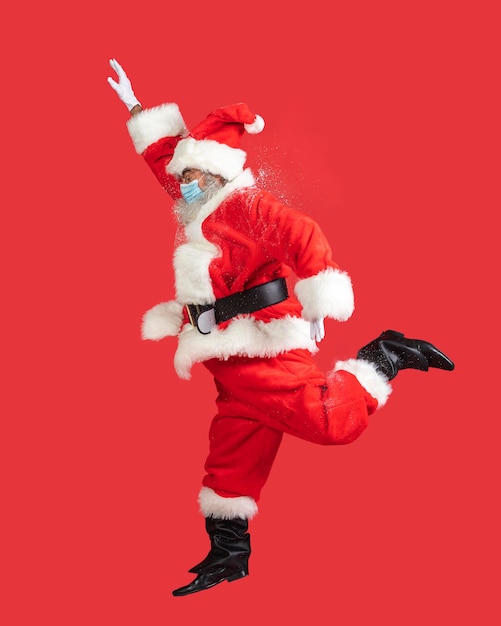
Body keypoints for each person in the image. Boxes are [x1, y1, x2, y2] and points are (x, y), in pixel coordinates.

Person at [107, 58, 454, 597]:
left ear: (218, 172)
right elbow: (165, 162)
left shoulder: (247, 205)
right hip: (227, 362)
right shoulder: (195, 203)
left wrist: (318, 304)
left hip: (261, 349)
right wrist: (136, 108)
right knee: (231, 459)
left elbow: (305, 235)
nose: (185, 185)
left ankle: (384, 355)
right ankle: (228, 555)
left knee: (331, 423)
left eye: (194, 177)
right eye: (184, 177)